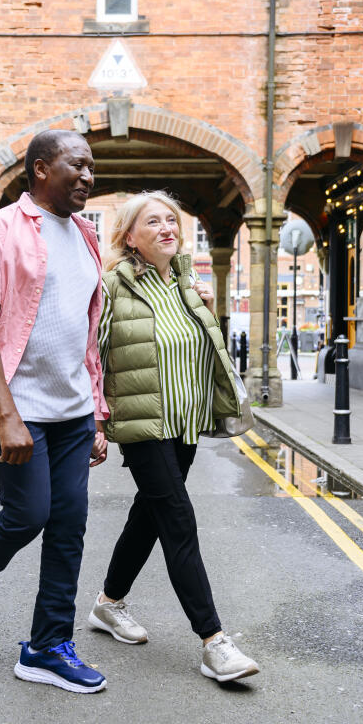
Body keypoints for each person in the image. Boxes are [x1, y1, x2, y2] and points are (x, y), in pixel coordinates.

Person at [0, 129, 111, 694]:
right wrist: (7, 415)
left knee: (68, 528)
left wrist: (98, 413)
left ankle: (46, 646)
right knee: (28, 515)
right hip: (21, 409)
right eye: (76, 166)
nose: (88, 176)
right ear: (40, 168)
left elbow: (86, 338)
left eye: (91, 168)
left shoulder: (87, 236)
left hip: (74, 412)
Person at [87, 191, 261, 683]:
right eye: (153, 222)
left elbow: (203, 352)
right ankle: (214, 643)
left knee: (150, 514)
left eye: (172, 220)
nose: (167, 228)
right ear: (129, 237)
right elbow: (91, 358)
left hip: (185, 422)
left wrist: (205, 309)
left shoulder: (188, 283)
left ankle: (107, 603)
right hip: (145, 425)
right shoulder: (113, 288)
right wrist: (95, 423)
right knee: (178, 521)